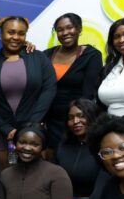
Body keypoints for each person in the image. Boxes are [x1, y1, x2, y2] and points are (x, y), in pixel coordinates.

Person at [0, 16, 57, 169]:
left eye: (21, 33)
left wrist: (31, 124)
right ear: (1, 34)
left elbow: (49, 89)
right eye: (11, 32)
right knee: (3, 179)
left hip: (33, 133)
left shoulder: (39, 58)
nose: (16, 37)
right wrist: (5, 128)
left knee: (34, 180)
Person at [43, 13, 103, 156]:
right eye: (60, 29)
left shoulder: (92, 55)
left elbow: (88, 93)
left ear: (79, 29)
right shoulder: (46, 55)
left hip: (75, 121)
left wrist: (78, 120)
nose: (65, 33)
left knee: (72, 158)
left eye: (69, 28)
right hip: (50, 121)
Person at [54, 99, 108, 199]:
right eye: (70, 118)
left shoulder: (103, 148)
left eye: (81, 116)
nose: (75, 121)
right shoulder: (63, 146)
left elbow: (99, 194)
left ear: (93, 117)